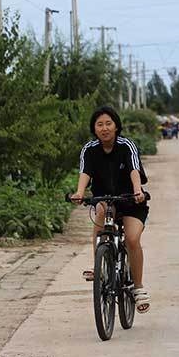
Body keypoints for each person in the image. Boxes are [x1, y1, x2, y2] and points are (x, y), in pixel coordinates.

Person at [71, 106, 152, 313]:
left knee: (132, 239)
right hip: (105, 198)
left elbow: (134, 169)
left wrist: (137, 190)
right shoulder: (89, 149)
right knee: (101, 212)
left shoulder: (126, 145)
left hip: (131, 199)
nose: (104, 128)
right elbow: (85, 172)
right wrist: (79, 192)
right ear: (94, 129)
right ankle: (99, 265)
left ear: (116, 126)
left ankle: (138, 288)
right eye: (99, 124)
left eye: (108, 123)